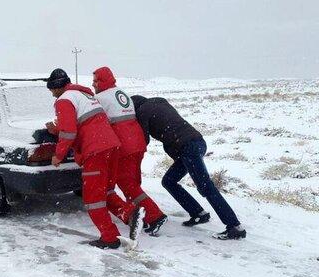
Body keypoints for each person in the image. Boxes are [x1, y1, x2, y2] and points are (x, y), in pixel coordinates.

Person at [46, 68, 141, 249]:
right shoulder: (85, 96)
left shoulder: (64, 100)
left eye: (51, 90)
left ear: (57, 87)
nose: (52, 94)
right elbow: (83, 124)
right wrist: (55, 130)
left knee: (92, 198)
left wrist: (58, 156)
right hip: (112, 146)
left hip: (95, 151)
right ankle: (130, 215)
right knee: (106, 191)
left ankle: (109, 237)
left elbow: (69, 133)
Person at [131, 95, 246, 240]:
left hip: (187, 147)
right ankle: (198, 213)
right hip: (197, 142)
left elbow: (143, 140)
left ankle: (234, 226)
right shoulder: (159, 101)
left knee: (206, 186)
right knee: (169, 181)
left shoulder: (142, 111)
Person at [92, 66, 167, 235]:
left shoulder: (101, 98)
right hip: (137, 142)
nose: (93, 83)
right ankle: (140, 217)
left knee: (127, 184)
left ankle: (155, 216)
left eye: (96, 80)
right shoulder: (121, 93)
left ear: (104, 80)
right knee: (133, 182)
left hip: (124, 145)